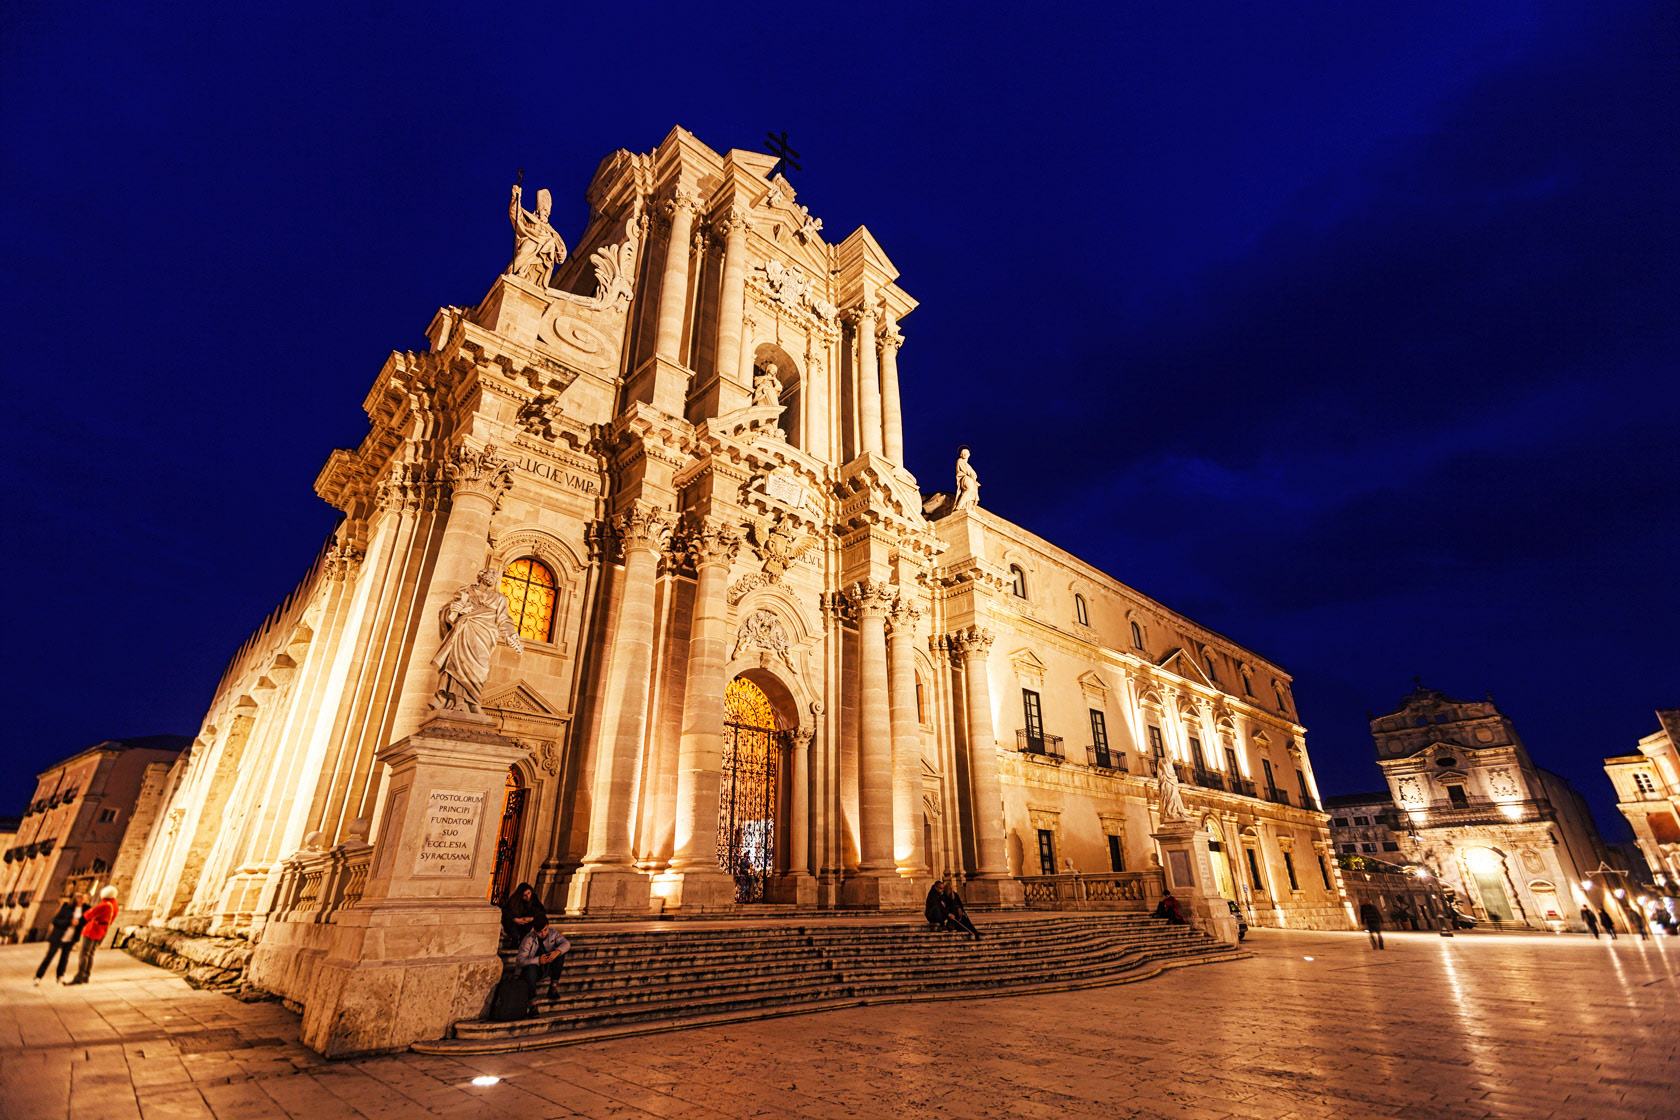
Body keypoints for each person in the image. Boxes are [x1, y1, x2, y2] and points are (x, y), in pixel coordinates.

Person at [64, 887, 118, 986]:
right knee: (91, 953)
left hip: (93, 930)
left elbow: (87, 914)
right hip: (102, 930)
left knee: (84, 954)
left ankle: (79, 977)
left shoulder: (104, 905)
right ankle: (86, 976)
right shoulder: (114, 905)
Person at [515, 914, 571, 1004]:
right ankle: (533, 1003)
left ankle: (553, 988)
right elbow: (520, 961)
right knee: (531, 967)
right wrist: (538, 960)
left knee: (560, 954)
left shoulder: (552, 933)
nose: (543, 933)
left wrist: (556, 952)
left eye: (545, 930)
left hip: (546, 968)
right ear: (535, 930)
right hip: (531, 971)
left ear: (548, 926)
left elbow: (566, 944)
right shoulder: (528, 939)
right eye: (540, 932)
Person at [35, 892, 88, 985]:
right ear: (76, 899)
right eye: (81, 898)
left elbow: (86, 921)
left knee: (64, 958)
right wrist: (69, 922)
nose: (83, 900)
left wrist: (79, 923)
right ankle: (38, 976)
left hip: (71, 937)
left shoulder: (86, 909)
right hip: (58, 936)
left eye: (84, 899)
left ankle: (60, 976)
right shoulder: (66, 907)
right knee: (49, 956)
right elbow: (55, 921)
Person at [500, 882, 544, 948]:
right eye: (525, 895)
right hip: (514, 922)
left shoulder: (533, 898)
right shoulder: (514, 899)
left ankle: (522, 941)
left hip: (526, 923)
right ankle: (515, 941)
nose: (528, 897)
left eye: (529, 893)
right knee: (510, 924)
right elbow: (506, 912)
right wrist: (515, 919)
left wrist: (532, 918)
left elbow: (542, 911)